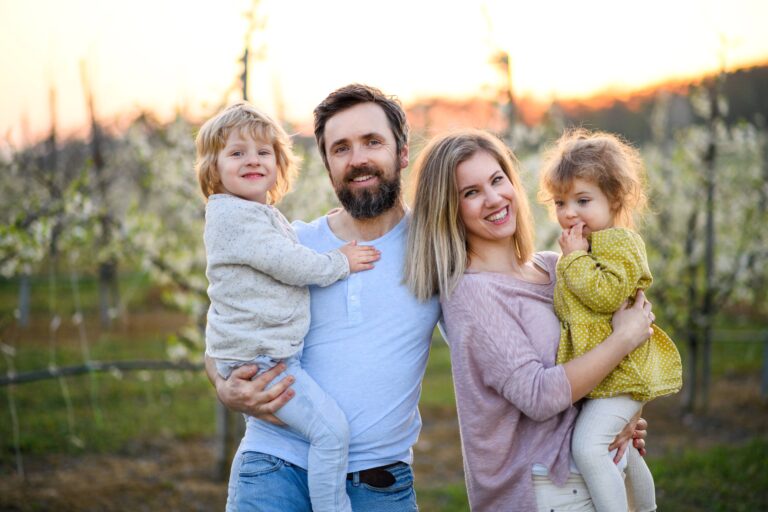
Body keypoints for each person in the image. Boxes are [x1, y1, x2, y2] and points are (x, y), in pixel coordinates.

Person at [204, 84, 441, 512]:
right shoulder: (292, 244)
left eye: (372, 142)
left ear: (402, 152)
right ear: (328, 165)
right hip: (274, 467)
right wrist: (224, 387)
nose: (358, 159)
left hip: (378, 483)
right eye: (341, 148)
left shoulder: (435, 250)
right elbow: (222, 327)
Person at [405, 129, 654, 511]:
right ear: (448, 209)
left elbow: (605, 352)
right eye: (470, 193)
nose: (493, 199)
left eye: (496, 179)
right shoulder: (472, 295)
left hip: (602, 475)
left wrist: (620, 415)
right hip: (548, 491)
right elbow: (538, 396)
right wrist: (623, 339)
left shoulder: (557, 268)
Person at [196, 102, 382, 512]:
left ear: (279, 164)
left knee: (326, 431)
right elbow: (288, 263)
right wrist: (340, 262)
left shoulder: (262, 216)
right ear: (214, 167)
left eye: (263, 152)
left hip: (268, 356)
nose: (252, 161)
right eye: (237, 152)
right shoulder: (234, 218)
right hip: (265, 363)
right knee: (332, 433)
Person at [537, 129, 682, 511]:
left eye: (582, 200)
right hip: (604, 375)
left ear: (614, 198)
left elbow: (606, 294)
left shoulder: (618, 242)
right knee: (624, 447)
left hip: (620, 373)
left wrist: (573, 259)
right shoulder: (592, 245)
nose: (568, 212)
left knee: (588, 447)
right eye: (560, 202)